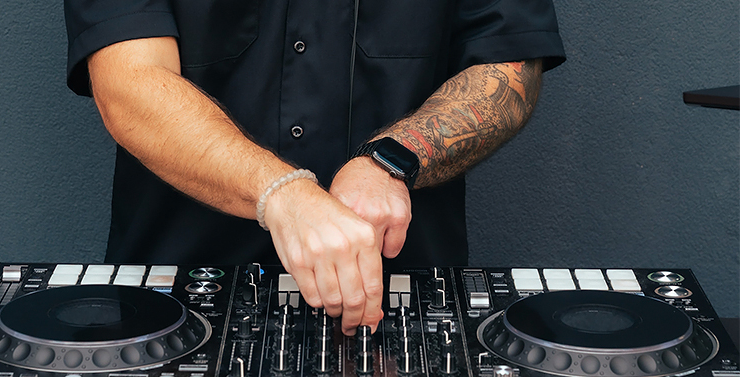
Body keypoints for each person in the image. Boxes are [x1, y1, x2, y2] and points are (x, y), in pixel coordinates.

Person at [64, 1, 565, 335]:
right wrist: (281, 194)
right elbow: (128, 83)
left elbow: (510, 65)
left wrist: (390, 160)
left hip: (399, 303)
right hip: (175, 308)